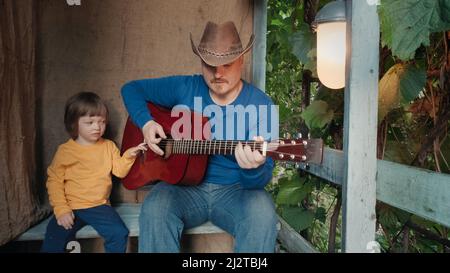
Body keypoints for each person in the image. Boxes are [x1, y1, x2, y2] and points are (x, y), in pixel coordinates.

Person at [121, 21, 279, 253]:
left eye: (227, 64)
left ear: (242, 60)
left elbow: (259, 180)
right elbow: (131, 89)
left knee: (262, 212)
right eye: (210, 65)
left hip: (236, 190)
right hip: (183, 187)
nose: (218, 73)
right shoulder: (184, 86)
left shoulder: (262, 104)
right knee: (155, 207)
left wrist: (253, 169)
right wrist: (146, 123)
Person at [41, 92, 147, 253]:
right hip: (71, 206)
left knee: (119, 233)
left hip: (99, 207)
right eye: (89, 122)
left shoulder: (108, 146)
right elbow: (54, 181)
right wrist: (62, 210)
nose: (97, 127)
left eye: (102, 122)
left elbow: (119, 172)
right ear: (74, 124)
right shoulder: (65, 151)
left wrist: (128, 156)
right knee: (54, 237)